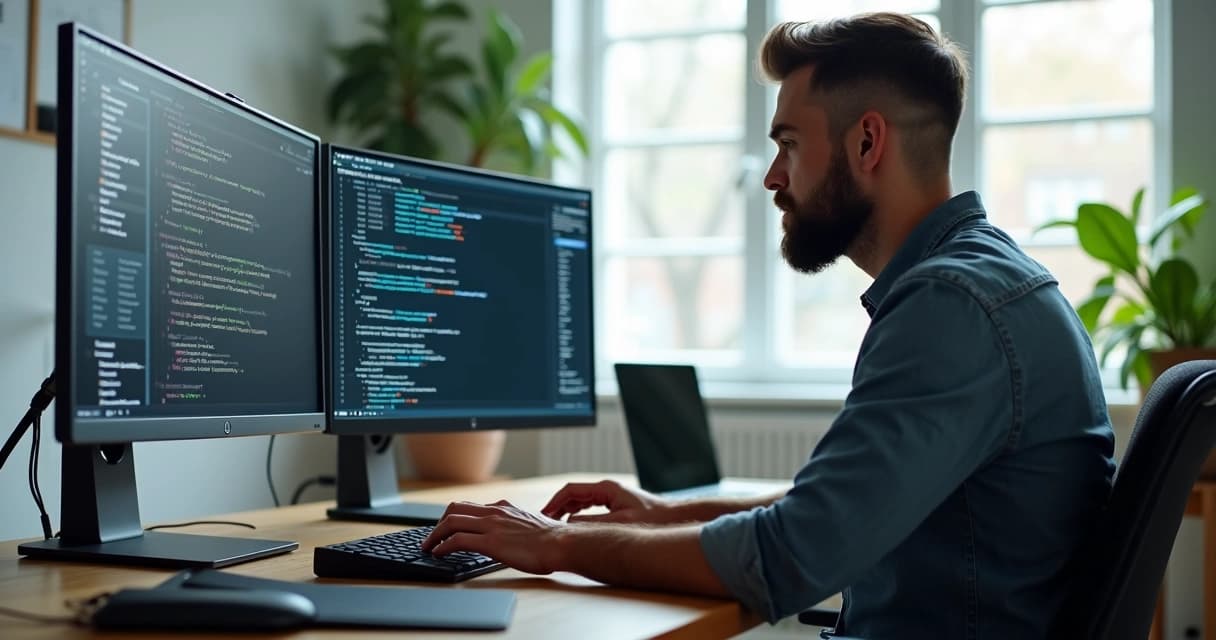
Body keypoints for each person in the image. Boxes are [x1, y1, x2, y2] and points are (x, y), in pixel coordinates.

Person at [423, 12, 1115, 638]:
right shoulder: (987, 281)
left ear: (868, 141)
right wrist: (661, 515)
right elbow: (842, 506)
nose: (772, 176)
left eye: (788, 143)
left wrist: (556, 545)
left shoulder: (952, 307)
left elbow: (794, 554)